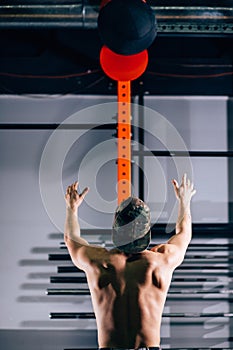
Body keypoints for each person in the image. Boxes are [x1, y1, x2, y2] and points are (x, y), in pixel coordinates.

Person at [64, 174, 196, 350]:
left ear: (116, 229)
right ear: (145, 232)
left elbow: (71, 238)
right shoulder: (161, 261)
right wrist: (184, 201)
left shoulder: (98, 261)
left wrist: (72, 208)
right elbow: (184, 234)